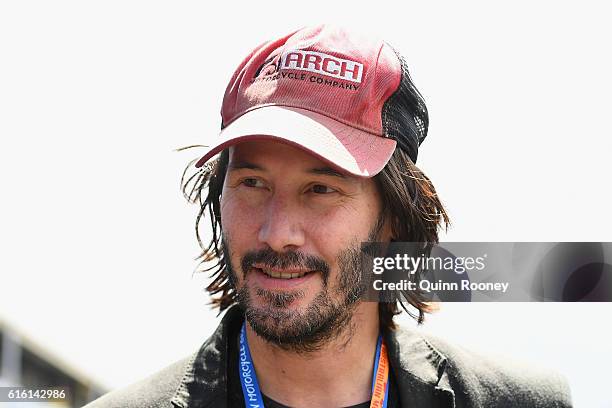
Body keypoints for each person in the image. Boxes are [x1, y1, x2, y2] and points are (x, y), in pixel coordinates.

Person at [85, 24, 572, 408]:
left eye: (320, 190)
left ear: (395, 220)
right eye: (252, 184)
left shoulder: (519, 401)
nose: (277, 233)